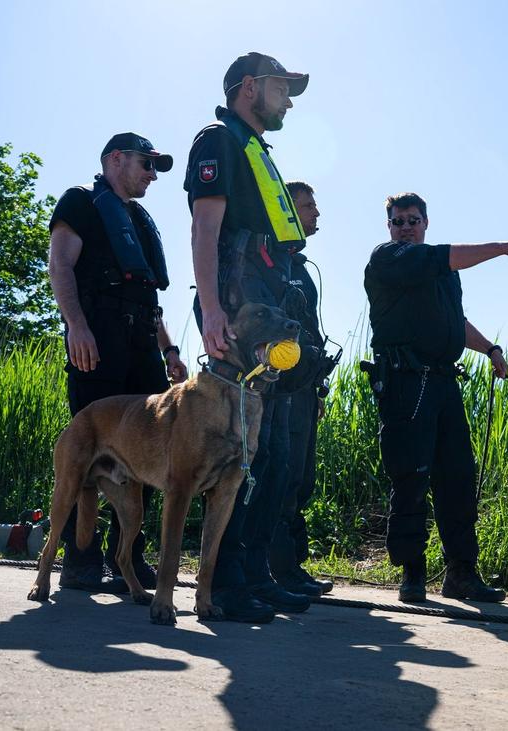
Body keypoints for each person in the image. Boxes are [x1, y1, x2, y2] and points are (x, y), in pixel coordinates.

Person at [363, 192, 508, 603]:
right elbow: (443, 257)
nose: (406, 227)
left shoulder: (445, 273)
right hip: (406, 383)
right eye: (399, 221)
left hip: (444, 384)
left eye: (414, 220)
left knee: (458, 479)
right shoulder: (388, 259)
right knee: (410, 476)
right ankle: (412, 574)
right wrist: (505, 248)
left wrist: (490, 349)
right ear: (389, 227)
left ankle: (462, 574)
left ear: (426, 223)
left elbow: (455, 321)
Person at [184, 52, 313, 623]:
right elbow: (205, 228)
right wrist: (212, 311)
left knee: (276, 456)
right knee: (242, 455)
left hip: (271, 317)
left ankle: (255, 573)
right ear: (250, 88)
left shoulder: (258, 149)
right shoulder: (218, 140)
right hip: (239, 319)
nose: (288, 99)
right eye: (282, 88)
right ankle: (224, 583)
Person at [47, 132, 188, 593]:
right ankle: (80, 561)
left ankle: (124, 554)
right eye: (145, 164)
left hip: (142, 347)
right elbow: (61, 265)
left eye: (154, 167)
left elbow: (150, 299)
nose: (151, 174)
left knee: (146, 452)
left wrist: (169, 351)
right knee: (88, 456)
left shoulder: (140, 220)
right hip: (98, 341)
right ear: (115, 160)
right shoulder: (81, 203)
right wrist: (77, 326)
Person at [267, 180, 336, 597]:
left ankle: (292, 565)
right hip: (281, 388)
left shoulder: (300, 266)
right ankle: (280, 571)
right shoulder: (272, 262)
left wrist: (318, 386)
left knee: (302, 477)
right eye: (307, 206)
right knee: (285, 475)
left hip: (305, 387)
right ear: (286, 211)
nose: (315, 214)